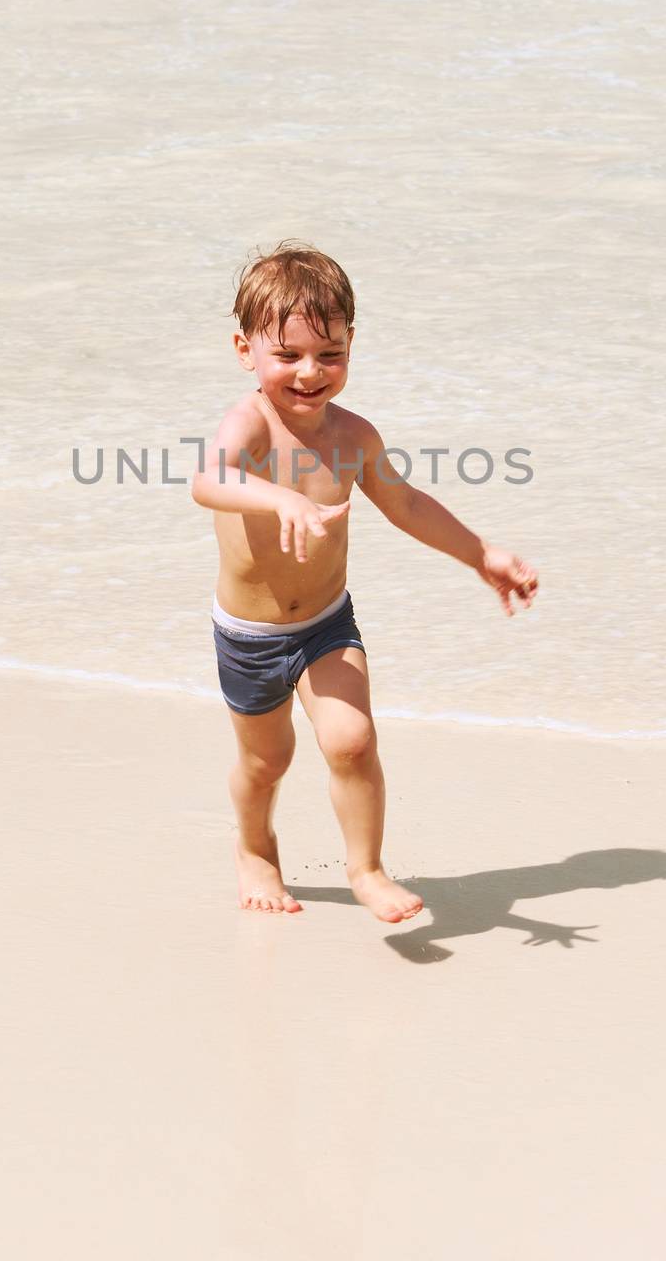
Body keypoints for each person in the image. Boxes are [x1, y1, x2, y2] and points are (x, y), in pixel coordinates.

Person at [190, 240, 539, 923]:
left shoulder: (354, 437)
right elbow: (209, 479)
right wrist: (281, 500)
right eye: (287, 355)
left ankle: (368, 867)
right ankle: (256, 848)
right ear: (244, 351)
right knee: (266, 763)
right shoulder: (250, 423)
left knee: (351, 741)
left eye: (330, 354)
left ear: (352, 345)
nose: (309, 372)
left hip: (325, 624)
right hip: (251, 634)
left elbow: (405, 505)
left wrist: (480, 554)